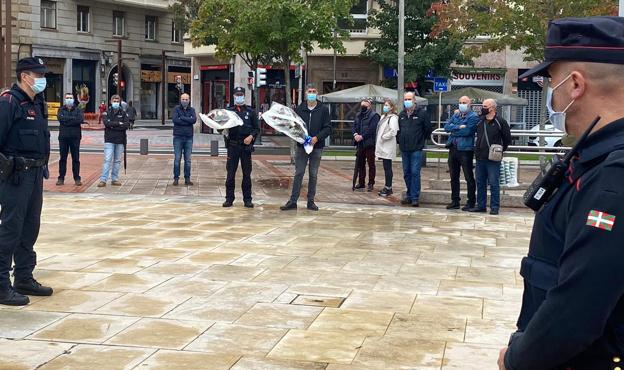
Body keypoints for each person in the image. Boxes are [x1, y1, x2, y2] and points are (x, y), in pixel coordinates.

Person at [498, 16, 624, 370]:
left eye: (551, 81)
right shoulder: (595, 155)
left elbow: (580, 307)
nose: (549, 93)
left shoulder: (614, 174)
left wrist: (517, 360)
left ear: (576, 85)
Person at [0, 57, 54, 306]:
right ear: (25, 76)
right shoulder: (9, 102)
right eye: (38, 74)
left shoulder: (37, 103)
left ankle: (23, 276)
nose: (41, 79)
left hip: (35, 174)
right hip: (15, 176)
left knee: (30, 228)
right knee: (10, 229)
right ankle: (1, 285)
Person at [281, 84, 332, 211]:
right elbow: (295, 127)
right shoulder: (300, 109)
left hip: (317, 146)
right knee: (299, 173)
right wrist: (300, 138)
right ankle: (293, 201)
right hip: (302, 147)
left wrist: (317, 138)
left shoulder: (323, 109)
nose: (312, 93)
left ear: (317, 93)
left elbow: (328, 128)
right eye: (309, 91)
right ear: (305, 93)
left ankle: (311, 201)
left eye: (314, 91)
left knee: (313, 174)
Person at [468, 99, 510, 215]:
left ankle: (494, 207)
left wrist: (499, 151)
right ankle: (481, 205)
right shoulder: (480, 121)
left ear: (492, 108)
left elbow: (507, 139)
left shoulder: (500, 121)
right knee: (480, 182)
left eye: (485, 106)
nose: (483, 108)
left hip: (493, 159)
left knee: (493, 182)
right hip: (480, 157)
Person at [223, 87, 258, 208]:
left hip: (245, 147)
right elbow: (221, 126)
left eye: (241, 95)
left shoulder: (251, 111)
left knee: (247, 174)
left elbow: (256, 129)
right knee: (230, 174)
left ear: (244, 96)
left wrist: (251, 137)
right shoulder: (229, 111)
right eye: (237, 95)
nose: (239, 97)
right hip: (233, 146)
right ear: (233, 96)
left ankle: (247, 199)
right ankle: (229, 199)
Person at [397, 92, 432, 207]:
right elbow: (399, 130)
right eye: (405, 99)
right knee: (406, 173)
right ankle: (409, 194)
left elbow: (427, 129)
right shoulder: (401, 115)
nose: (407, 101)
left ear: (414, 100)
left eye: (409, 99)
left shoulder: (422, 114)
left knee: (415, 172)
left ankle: (415, 197)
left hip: (416, 148)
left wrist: (420, 141)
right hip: (404, 148)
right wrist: (400, 140)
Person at [444, 96, 479, 210]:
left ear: (470, 104)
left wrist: (454, 129)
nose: (461, 104)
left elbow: (468, 131)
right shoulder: (456, 115)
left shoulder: (473, 116)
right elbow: (446, 127)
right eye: (460, 102)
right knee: (453, 176)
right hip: (453, 148)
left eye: (464, 102)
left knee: (468, 176)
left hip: (465, 150)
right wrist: (458, 127)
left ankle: (471, 201)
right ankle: (455, 201)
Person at [98, 95, 130, 187]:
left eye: (117, 101)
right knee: (107, 159)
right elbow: (106, 123)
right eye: (114, 101)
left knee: (117, 160)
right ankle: (103, 179)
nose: (116, 102)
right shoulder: (106, 112)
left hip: (120, 140)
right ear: (111, 101)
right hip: (109, 139)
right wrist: (118, 124)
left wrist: (114, 125)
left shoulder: (123, 113)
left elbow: (126, 125)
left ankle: (114, 179)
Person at [352, 97, 380, 192]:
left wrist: (362, 136)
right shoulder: (358, 115)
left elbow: (372, 129)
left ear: (369, 106)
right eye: (362, 105)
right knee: (360, 163)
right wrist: (355, 134)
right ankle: (361, 182)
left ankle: (371, 183)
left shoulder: (374, 115)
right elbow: (354, 126)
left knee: (371, 163)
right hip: (360, 144)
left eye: (365, 105)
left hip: (369, 143)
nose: (363, 107)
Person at [56, 92, 84, 186]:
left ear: (74, 99)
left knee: (76, 158)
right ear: (65, 99)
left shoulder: (78, 110)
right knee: (62, 158)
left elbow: (79, 120)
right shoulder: (61, 109)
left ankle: (77, 178)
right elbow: (61, 119)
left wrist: (67, 120)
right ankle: (61, 178)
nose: (69, 99)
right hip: (63, 137)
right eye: (67, 98)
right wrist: (72, 120)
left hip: (75, 137)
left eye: (70, 98)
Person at [375, 99, 399, 197]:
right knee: (385, 167)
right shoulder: (383, 117)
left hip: (387, 145)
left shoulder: (393, 118)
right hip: (382, 145)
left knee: (388, 167)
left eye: (387, 105)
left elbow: (393, 131)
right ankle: (387, 186)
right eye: (384, 105)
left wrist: (383, 137)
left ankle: (388, 187)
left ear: (392, 107)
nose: (385, 107)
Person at [172, 93, 196, 186]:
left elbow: (193, 120)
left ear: (189, 100)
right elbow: (175, 120)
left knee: (188, 160)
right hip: (178, 136)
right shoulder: (176, 109)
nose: (184, 101)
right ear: (180, 100)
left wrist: (182, 118)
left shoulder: (192, 110)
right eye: (183, 99)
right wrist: (187, 120)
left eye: (186, 99)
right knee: (177, 159)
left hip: (189, 137)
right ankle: (176, 178)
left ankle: (187, 178)